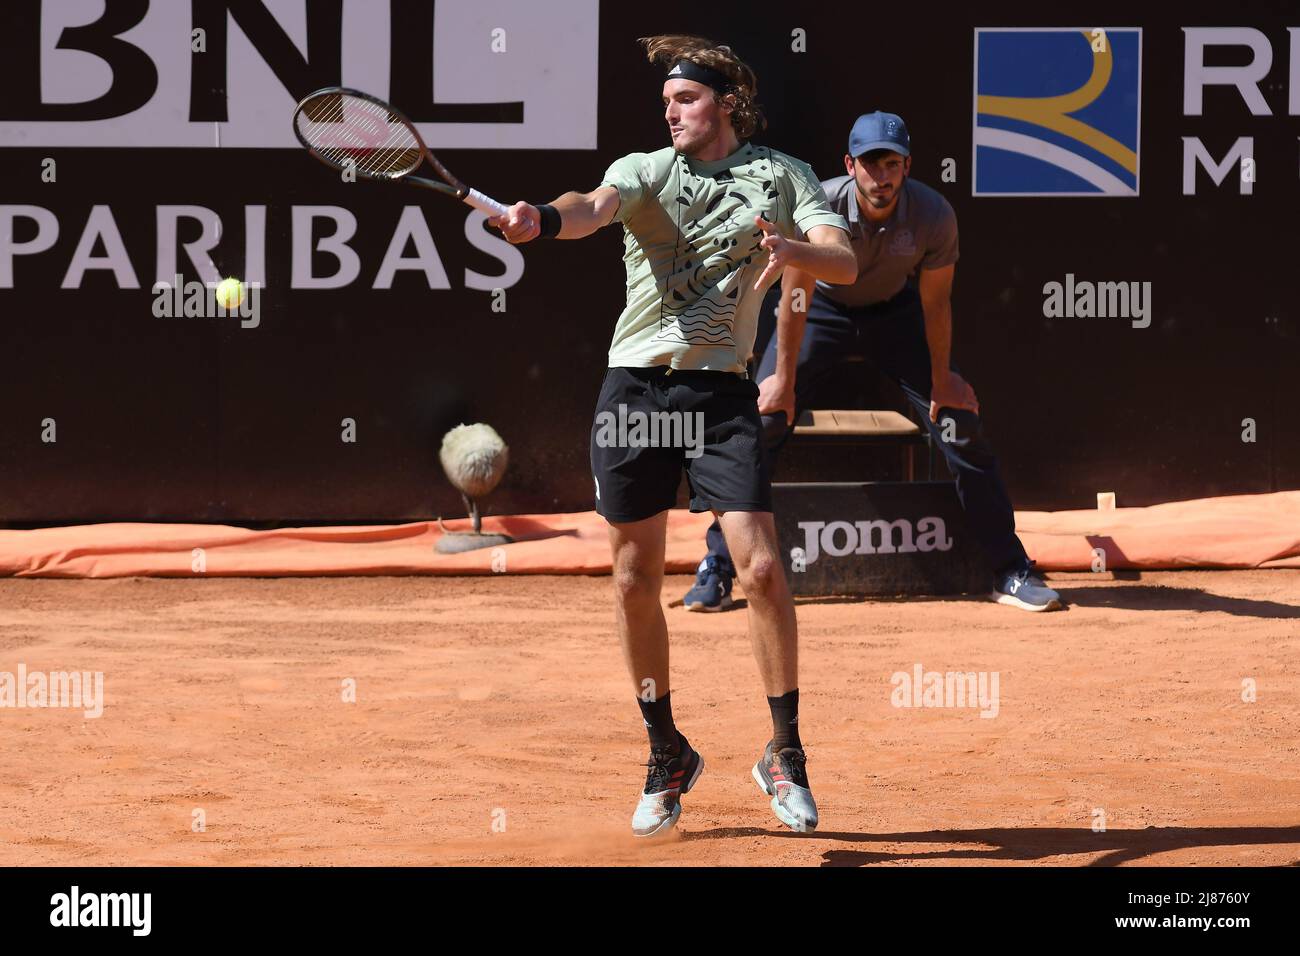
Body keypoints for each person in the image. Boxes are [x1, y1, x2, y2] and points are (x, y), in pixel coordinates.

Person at [489, 35, 856, 836]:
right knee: (632, 580)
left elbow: (846, 260)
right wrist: (542, 220)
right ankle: (666, 752)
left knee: (759, 566)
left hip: (721, 390)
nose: (671, 112)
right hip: (637, 388)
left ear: (726, 103)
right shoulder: (647, 169)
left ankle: (785, 751)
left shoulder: (783, 175)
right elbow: (592, 207)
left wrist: (796, 249)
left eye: (685, 100)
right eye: (665, 104)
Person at [684, 112, 1063, 613]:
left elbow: (936, 304)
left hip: (895, 315)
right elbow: (794, 296)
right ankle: (719, 567)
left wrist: (943, 377)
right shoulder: (820, 204)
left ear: (906, 167)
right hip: (820, 311)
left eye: (891, 164)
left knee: (957, 423)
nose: (880, 177)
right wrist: (784, 378)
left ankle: (1010, 570)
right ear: (850, 165)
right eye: (869, 164)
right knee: (765, 421)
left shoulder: (933, 215)